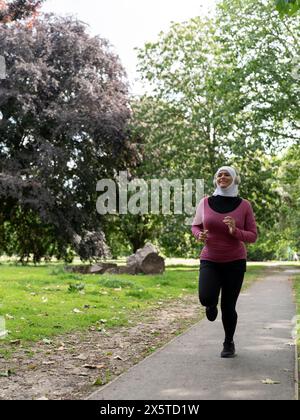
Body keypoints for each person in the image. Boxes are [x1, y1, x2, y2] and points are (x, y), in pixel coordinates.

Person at [191, 166, 257, 358]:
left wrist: (235, 231)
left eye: (227, 174)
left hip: (234, 261)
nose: (222, 177)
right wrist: (199, 234)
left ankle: (228, 343)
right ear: (215, 179)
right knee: (205, 297)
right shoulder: (205, 202)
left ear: (234, 179)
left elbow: (253, 236)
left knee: (229, 306)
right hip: (210, 258)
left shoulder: (244, 205)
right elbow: (195, 225)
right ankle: (211, 305)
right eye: (219, 174)